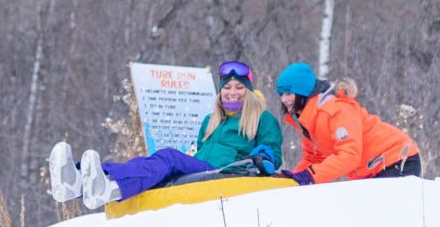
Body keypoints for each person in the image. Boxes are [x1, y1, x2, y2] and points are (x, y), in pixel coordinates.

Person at [48, 61, 283, 209]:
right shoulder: (210, 121)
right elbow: (199, 149)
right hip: (204, 166)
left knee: (169, 157)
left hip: (227, 171)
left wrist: (262, 159)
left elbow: (272, 152)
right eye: (228, 87)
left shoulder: (262, 119)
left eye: (240, 87)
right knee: (156, 165)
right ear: (220, 91)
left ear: (249, 92)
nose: (233, 92)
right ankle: (81, 184)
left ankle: (105, 181)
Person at [275, 62, 421, 184]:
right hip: (373, 169)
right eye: (281, 94)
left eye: (288, 93)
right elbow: (314, 159)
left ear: (303, 92)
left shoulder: (336, 110)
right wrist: (293, 179)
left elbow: (350, 155)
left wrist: (308, 177)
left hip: (397, 159)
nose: (283, 99)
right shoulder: (309, 119)